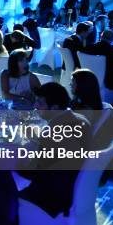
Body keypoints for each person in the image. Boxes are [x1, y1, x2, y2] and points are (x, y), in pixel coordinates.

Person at [18, 82, 92, 217]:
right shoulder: (82, 120)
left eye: (40, 103)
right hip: (73, 188)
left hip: (51, 197)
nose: (35, 106)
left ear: (55, 108)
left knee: (2, 181)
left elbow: (28, 171)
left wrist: (20, 151)